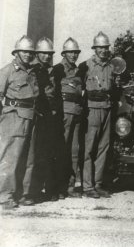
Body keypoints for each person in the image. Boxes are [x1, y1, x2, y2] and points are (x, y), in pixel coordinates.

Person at [21, 37, 63, 204]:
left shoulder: (51, 71)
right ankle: (30, 192)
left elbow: (53, 94)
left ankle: (49, 189)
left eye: (49, 54)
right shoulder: (32, 70)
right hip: (35, 116)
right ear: (36, 54)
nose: (47, 57)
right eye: (43, 54)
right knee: (34, 155)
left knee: (48, 153)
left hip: (49, 117)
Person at [0, 36, 38, 209]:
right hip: (13, 117)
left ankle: (23, 194)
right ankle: (5, 197)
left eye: (31, 52)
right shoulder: (8, 71)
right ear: (16, 53)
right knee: (10, 158)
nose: (28, 55)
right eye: (25, 51)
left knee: (28, 159)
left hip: (31, 116)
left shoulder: (31, 72)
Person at [78, 31, 117, 199]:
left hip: (107, 108)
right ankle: (87, 186)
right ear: (95, 48)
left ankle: (98, 183)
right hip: (91, 109)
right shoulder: (85, 66)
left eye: (105, 47)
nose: (103, 50)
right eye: (100, 48)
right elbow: (79, 88)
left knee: (104, 147)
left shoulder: (111, 66)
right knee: (89, 148)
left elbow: (114, 88)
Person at [53, 37, 83, 198]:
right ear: (64, 53)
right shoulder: (58, 69)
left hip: (77, 112)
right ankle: (57, 188)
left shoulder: (78, 71)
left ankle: (69, 187)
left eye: (76, 52)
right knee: (61, 150)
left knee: (74, 152)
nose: (73, 55)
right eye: (70, 52)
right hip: (64, 113)